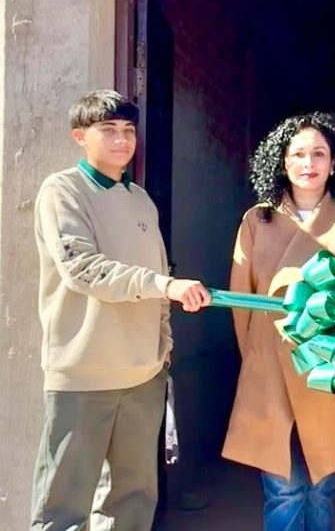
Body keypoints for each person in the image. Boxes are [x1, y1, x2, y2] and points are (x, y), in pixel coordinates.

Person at [31, 89, 210, 530]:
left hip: (143, 376)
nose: (122, 140)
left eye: (129, 130)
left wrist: (161, 350)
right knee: (63, 508)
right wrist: (166, 286)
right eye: (108, 129)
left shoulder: (141, 200)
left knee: (132, 502)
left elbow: (159, 275)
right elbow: (83, 269)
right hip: (84, 376)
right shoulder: (62, 191)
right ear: (80, 136)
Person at [223, 112, 335, 530]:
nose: (308, 163)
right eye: (298, 154)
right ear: (283, 162)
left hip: (328, 366)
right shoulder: (256, 219)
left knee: (320, 486)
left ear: (333, 163)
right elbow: (241, 300)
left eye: (319, 154)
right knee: (282, 489)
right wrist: (257, 357)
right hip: (269, 367)